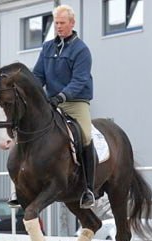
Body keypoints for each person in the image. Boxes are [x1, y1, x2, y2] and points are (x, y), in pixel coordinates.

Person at [33, 4, 96, 208]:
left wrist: (61, 96)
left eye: (62, 23)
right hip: (52, 101)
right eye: (56, 23)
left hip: (75, 102)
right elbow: (38, 75)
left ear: (72, 23)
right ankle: (23, 185)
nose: (58, 27)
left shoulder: (82, 50)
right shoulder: (47, 47)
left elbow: (79, 80)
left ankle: (88, 188)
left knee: (85, 136)